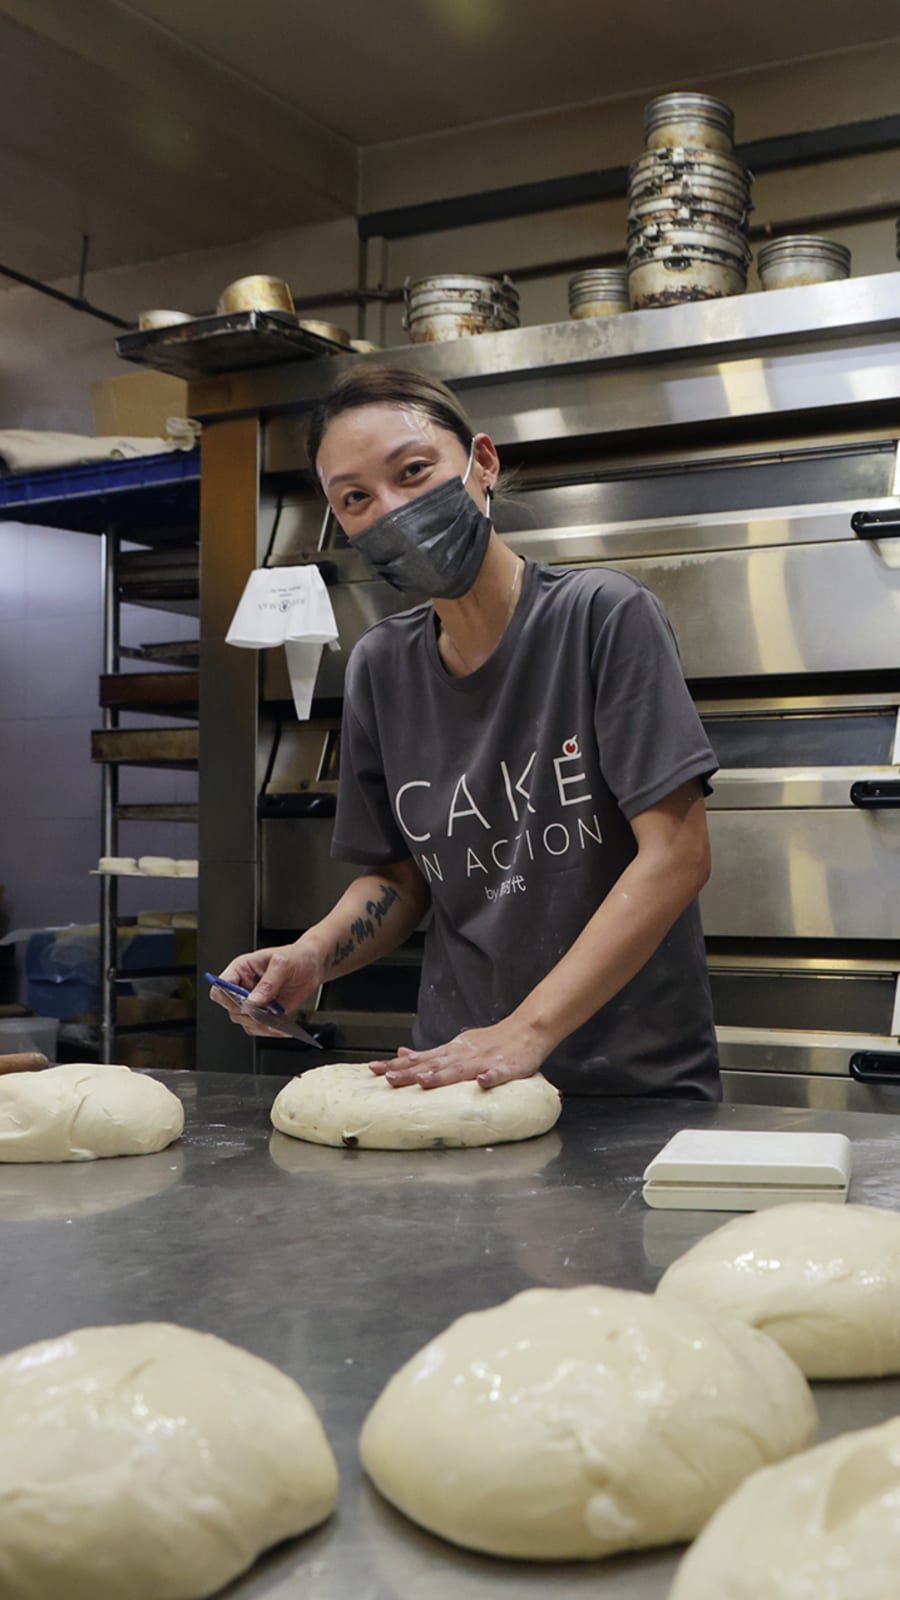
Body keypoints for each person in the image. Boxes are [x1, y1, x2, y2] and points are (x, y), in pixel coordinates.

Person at [212, 365, 720, 1098]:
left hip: (629, 1083)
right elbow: (399, 877)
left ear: (482, 463)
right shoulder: (381, 668)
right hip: (461, 1081)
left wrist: (529, 1031)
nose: (390, 509)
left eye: (413, 472)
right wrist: (314, 954)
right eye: (355, 499)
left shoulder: (601, 617)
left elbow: (676, 855)